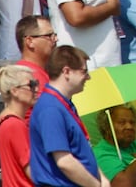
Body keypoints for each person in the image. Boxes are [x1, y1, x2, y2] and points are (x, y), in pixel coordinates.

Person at [28, 45, 104, 187]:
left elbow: (81, 151)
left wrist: (102, 178)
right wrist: (96, 185)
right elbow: (64, 162)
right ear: (67, 71)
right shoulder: (51, 109)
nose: (88, 77)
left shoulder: (63, 104)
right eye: (84, 72)